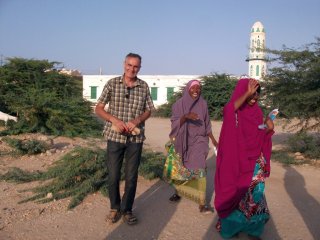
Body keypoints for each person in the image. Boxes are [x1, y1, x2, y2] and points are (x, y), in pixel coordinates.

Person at [95, 53, 155, 225]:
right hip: (114, 137)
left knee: (131, 176)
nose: (132, 69)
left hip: (135, 139)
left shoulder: (143, 86)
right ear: (124, 64)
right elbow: (98, 108)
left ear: (139, 68)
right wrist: (114, 120)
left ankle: (127, 210)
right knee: (113, 175)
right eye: (129, 65)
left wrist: (136, 120)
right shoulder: (112, 83)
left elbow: (149, 110)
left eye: (135, 66)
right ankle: (114, 208)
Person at [214, 78, 274, 239]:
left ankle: (253, 229)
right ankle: (231, 228)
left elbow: (258, 130)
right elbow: (228, 110)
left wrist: (268, 128)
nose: (255, 97)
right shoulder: (234, 111)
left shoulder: (257, 112)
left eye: (257, 93)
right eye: (251, 93)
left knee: (256, 197)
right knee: (233, 195)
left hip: (255, 162)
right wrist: (247, 93)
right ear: (243, 92)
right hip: (236, 161)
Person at [168, 79, 218, 213]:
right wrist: (186, 117)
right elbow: (174, 122)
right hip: (183, 140)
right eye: (193, 88)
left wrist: (213, 139)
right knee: (182, 167)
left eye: (199, 88)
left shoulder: (203, 104)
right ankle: (178, 191)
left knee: (200, 167)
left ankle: (202, 203)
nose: (196, 91)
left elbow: (207, 123)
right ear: (187, 89)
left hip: (200, 140)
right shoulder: (179, 105)